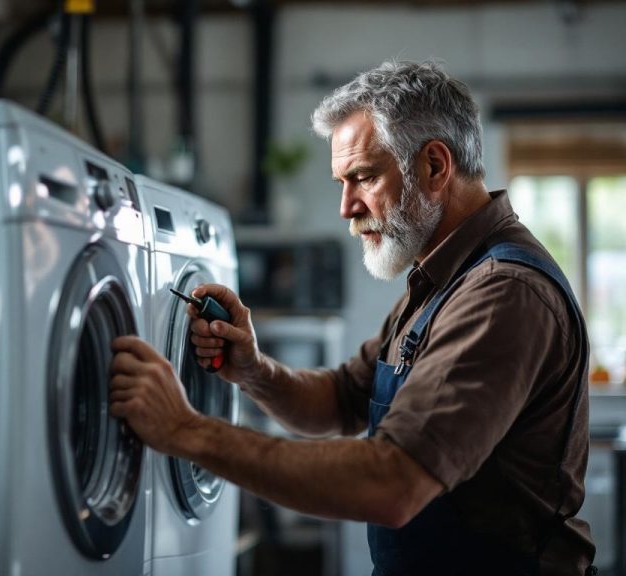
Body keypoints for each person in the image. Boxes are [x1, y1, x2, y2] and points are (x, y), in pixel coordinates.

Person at [109, 60, 597, 575]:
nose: (346, 207)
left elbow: (392, 484)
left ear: (434, 166)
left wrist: (186, 431)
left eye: (362, 177)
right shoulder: (438, 280)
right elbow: (341, 400)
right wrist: (252, 370)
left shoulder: (502, 293)